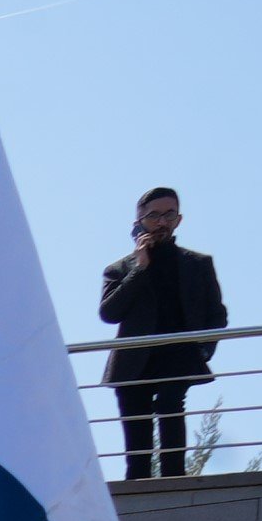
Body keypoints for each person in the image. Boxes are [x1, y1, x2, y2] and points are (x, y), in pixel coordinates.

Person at [102, 187, 227, 483]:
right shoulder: (120, 268)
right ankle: (138, 491)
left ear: (179, 219)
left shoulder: (197, 264)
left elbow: (216, 314)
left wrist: (203, 349)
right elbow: (109, 313)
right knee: (138, 444)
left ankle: (176, 483)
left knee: (172, 410)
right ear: (139, 222)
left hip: (178, 355)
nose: (161, 222)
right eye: (153, 215)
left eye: (168, 214)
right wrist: (140, 268)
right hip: (133, 362)